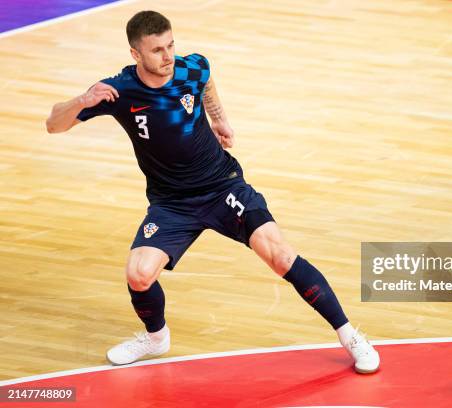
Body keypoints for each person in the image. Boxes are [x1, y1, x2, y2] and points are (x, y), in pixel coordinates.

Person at [46, 10, 379, 374]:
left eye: (171, 45)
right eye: (157, 50)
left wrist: (218, 117)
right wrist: (81, 99)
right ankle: (156, 339)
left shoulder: (191, 67)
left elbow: (206, 80)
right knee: (139, 274)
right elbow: (53, 125)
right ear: (135, 54)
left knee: (280, 255)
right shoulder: (118, 92)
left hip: (222, 186)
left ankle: (351, 336)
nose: (168, 56)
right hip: (171, 204)